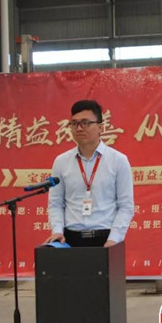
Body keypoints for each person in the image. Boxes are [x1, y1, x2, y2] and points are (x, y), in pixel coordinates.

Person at [45, 100, 134, 247]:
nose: (79, 128)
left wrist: (114, 239)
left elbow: (126, 206)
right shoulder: (61, 161)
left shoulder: (118, 160)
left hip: (106, 239)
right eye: (74, 123)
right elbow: (55, 203)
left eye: (85, 123)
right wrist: (57, 231)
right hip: (69, 239)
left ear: (100, 127)